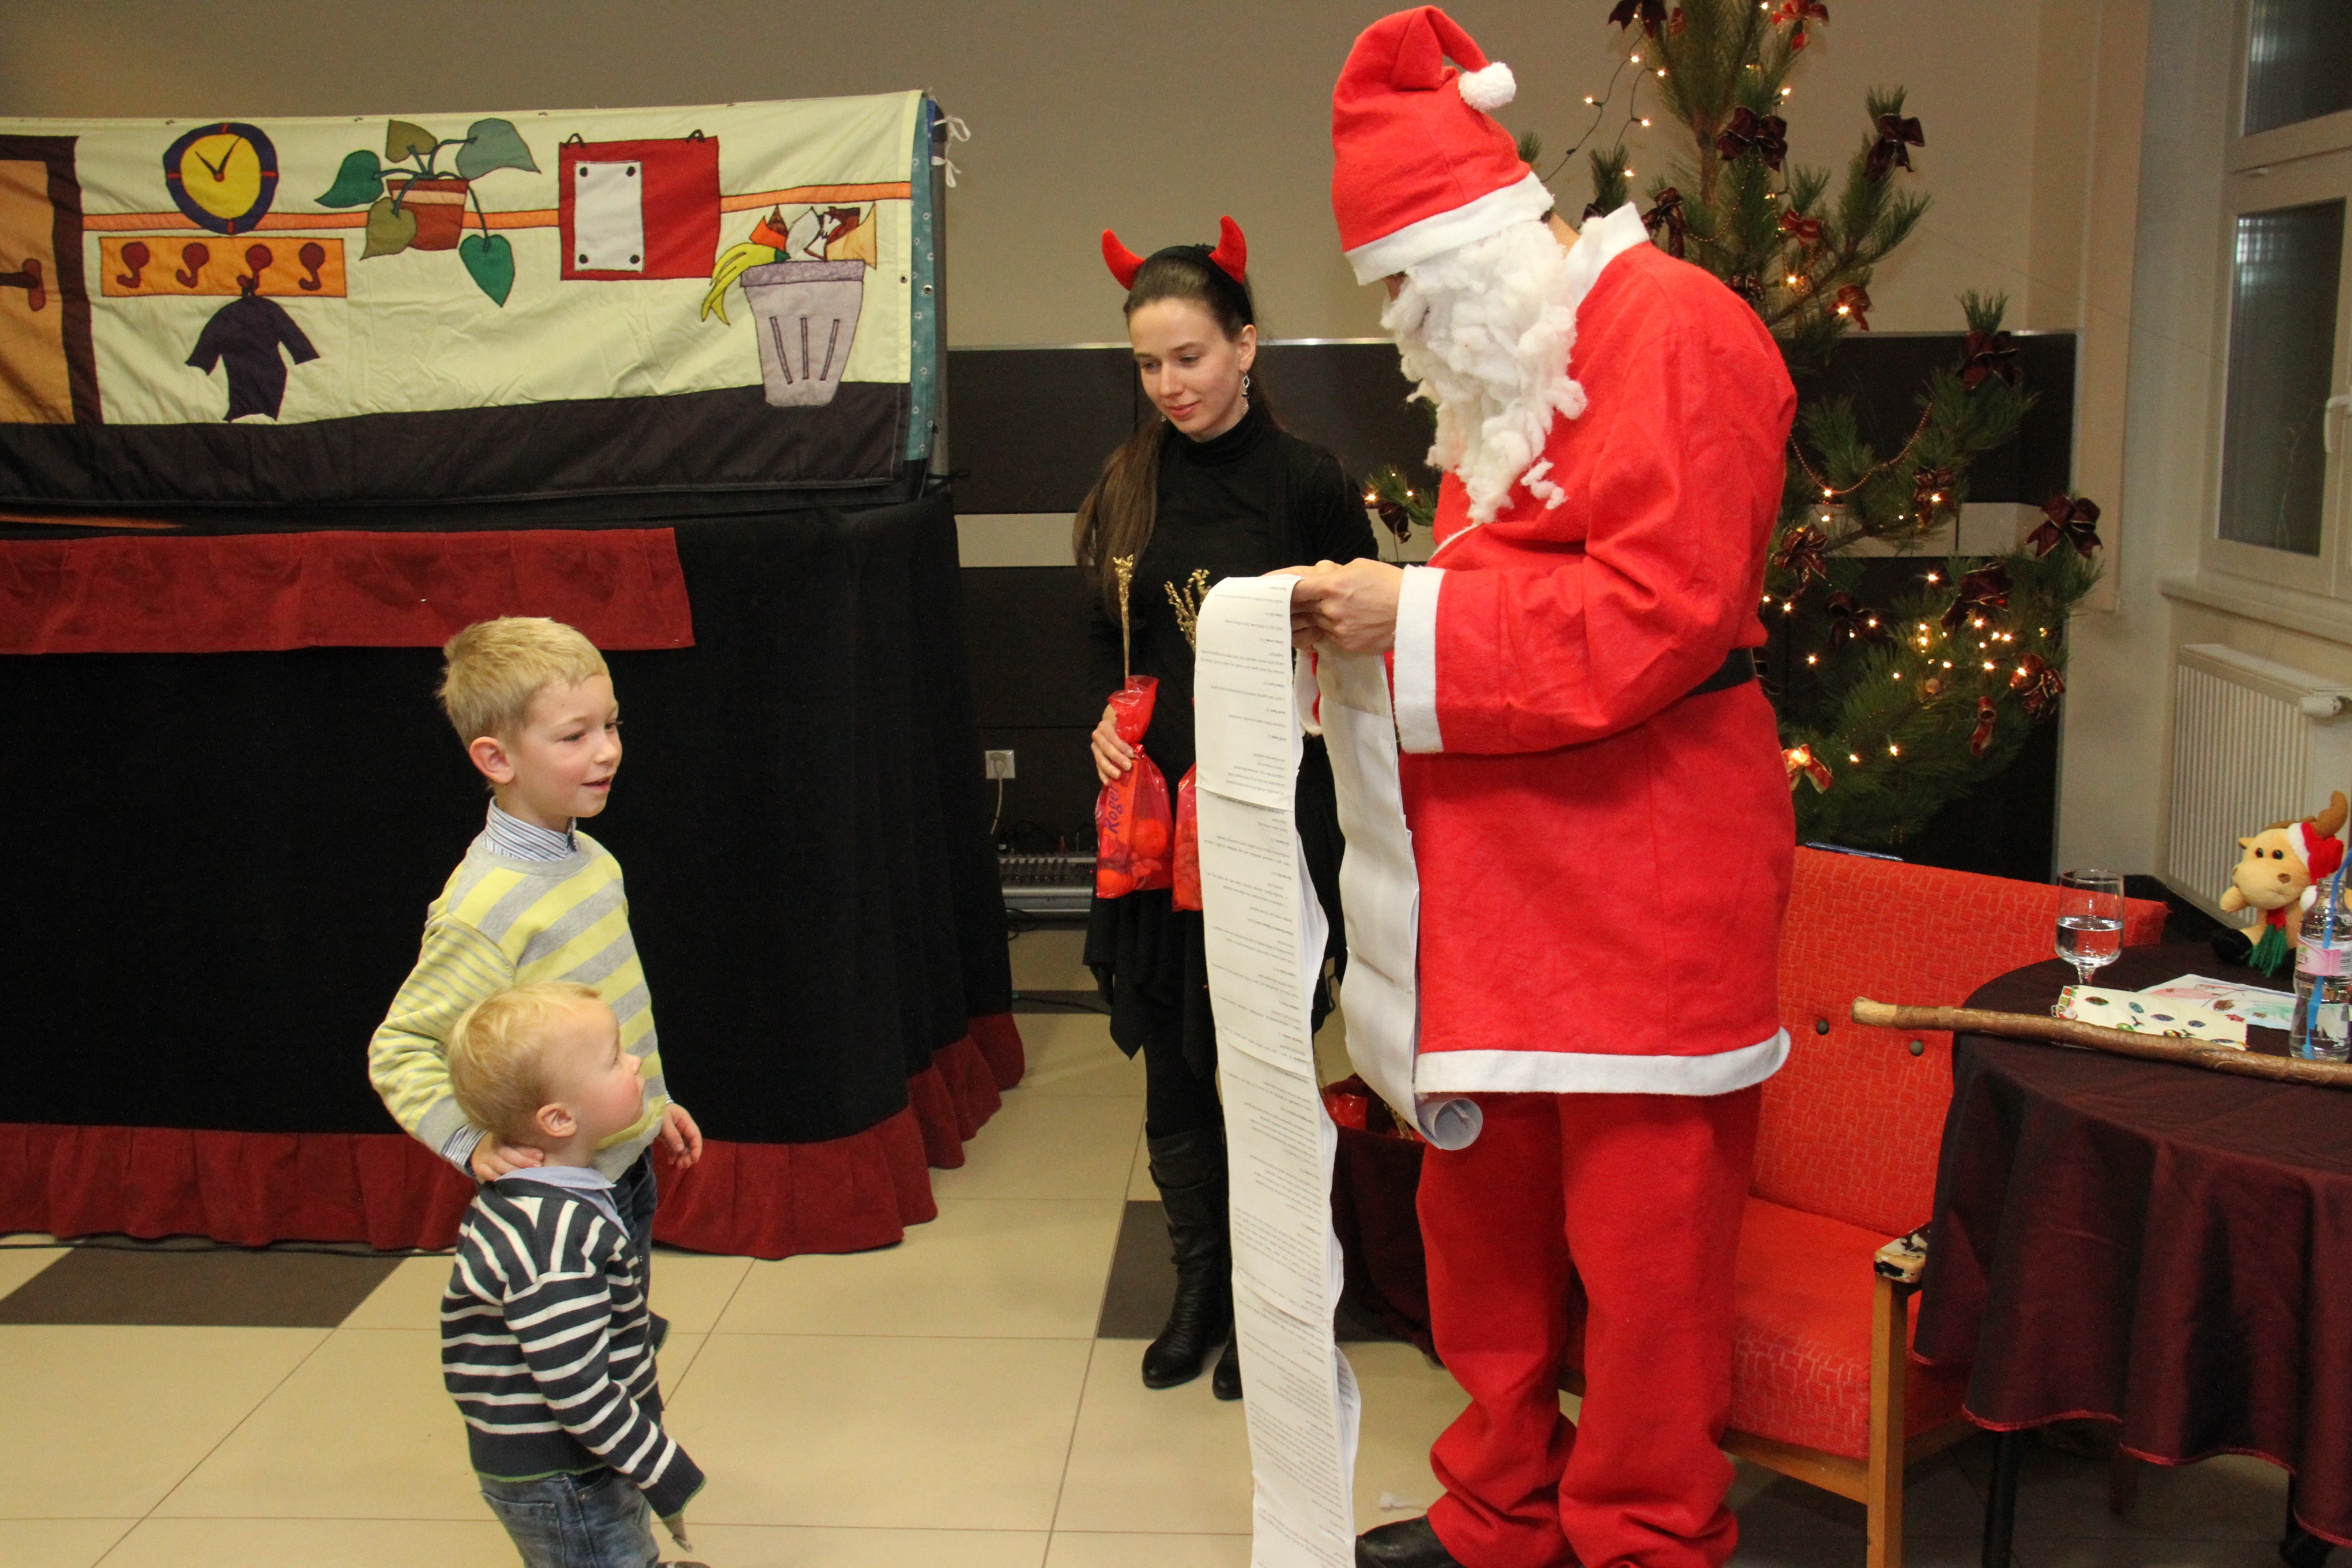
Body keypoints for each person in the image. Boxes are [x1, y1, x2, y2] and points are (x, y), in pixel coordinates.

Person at [1292, 11, 1798, 1568]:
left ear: (1479, 246)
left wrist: (1408, 620)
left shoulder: (1676, 329)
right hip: (1500, 891)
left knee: (1648, 1259)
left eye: (1404, 285)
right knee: (1481, 1228)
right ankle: (1498, 1508)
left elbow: (1663, 611)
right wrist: (1369, 634)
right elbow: (1503, 596)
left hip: (1646, 884)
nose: (1398, 323)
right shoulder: (1503, 368)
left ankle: (1642, 1530)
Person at [1078, 215, 1376, 1399]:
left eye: (1191, 356)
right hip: (1157, 825)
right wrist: (1101, 720)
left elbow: (1361, 644)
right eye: (1149, 364)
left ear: (1246, 345)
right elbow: (1105, 636)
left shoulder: (1308, 481)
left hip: (1269, 819)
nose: (1170, 384)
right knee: (1171, 1065)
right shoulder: (1127, 478)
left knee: (1263, 1064)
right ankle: (1198, 1284)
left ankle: (1275, 1299)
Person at [369, 616, 704, 1292]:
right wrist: (472, 1141)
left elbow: (614, 1020)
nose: (607, 752)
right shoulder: (484, 910)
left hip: (622, 1175)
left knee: (621, 1336)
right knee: (568, 1350)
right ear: (498, 760)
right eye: (575, 737)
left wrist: (649, 1106)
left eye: (611, 725)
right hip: (553, 1200)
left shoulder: (594, 861)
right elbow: (401, 1048)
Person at [442, 981, 707, 1568]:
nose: (634, 1062)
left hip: (578, 1459)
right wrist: (661, 1468)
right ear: (560, 1119)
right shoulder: (553, 1236)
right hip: (564, 1473)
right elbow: (577, 1389)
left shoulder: (556, 1195)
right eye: (613, 1059)